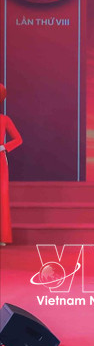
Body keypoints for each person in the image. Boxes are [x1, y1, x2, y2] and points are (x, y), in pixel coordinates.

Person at [0, 84, 23, 246]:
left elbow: (18, 139)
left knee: (1, 197)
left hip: (0, 161)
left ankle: (3, 237)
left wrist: (4, 147)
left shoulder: (4, 120)